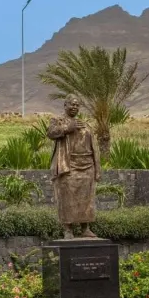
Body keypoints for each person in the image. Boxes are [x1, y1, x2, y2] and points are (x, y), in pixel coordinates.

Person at [47, 95, 101, 239]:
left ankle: (85, 228)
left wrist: (97, 169)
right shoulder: (57, 121)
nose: (74, 107)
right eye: (72, 104)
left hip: (87, 166)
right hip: (68, 166)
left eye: (77, 105)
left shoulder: (85, 124)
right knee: (66, 198)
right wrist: (67, 128)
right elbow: (51, 133)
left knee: (86, 199)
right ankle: (68, 229)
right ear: (65, 105)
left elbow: (95, 148)